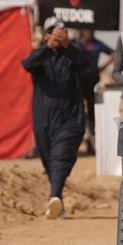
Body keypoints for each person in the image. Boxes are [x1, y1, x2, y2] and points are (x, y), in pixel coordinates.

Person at [21, 18, 88, 219]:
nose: (57, 35)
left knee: (61, 156)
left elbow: (87, 67)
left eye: (61, 31)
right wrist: (47, 48)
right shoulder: (40, 55)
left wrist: (68, 47)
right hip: (43, 119)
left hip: (70, 118)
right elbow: (27, 64)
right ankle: (57, 201)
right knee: (50, 160)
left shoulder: (73, 54)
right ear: (46, 34)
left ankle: (55, 196)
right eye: (52, 31)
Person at [73, 29, 113, 155]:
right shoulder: (76, 44)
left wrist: (102, 67)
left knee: (92, 116)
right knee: (77, 115)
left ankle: (92, 145)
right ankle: (76, 145)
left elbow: (114, 53)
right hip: (78, 84)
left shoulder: (97, 44)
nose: (87, 32)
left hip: (92, 83)